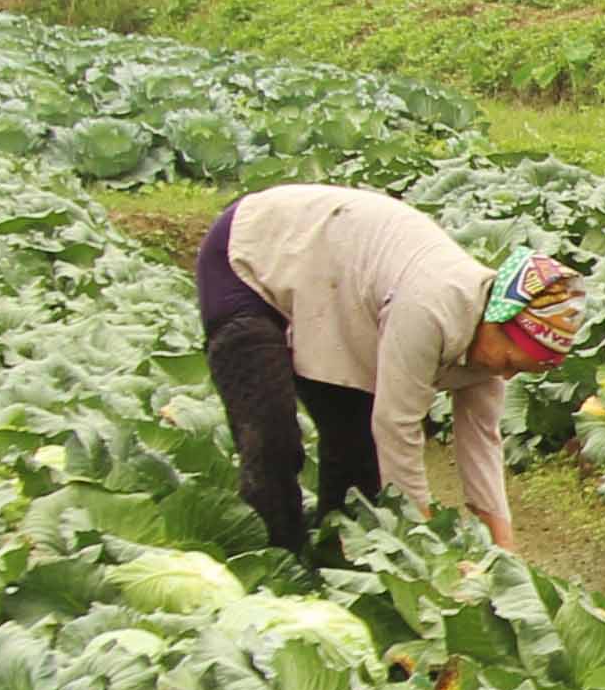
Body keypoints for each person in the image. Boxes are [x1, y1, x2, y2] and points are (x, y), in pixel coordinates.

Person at [193, 183, 577, 560]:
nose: (506, 377)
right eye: (510, 362)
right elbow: (398, 428)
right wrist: (427, 552)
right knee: (271, 438)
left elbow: (481, 444)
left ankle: (332, 566)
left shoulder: (489, 345)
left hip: (338, 293)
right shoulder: (431, 306)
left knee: (358, 460)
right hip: (253, 256)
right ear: (497, 318)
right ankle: (274, 566)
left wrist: (505, 555)